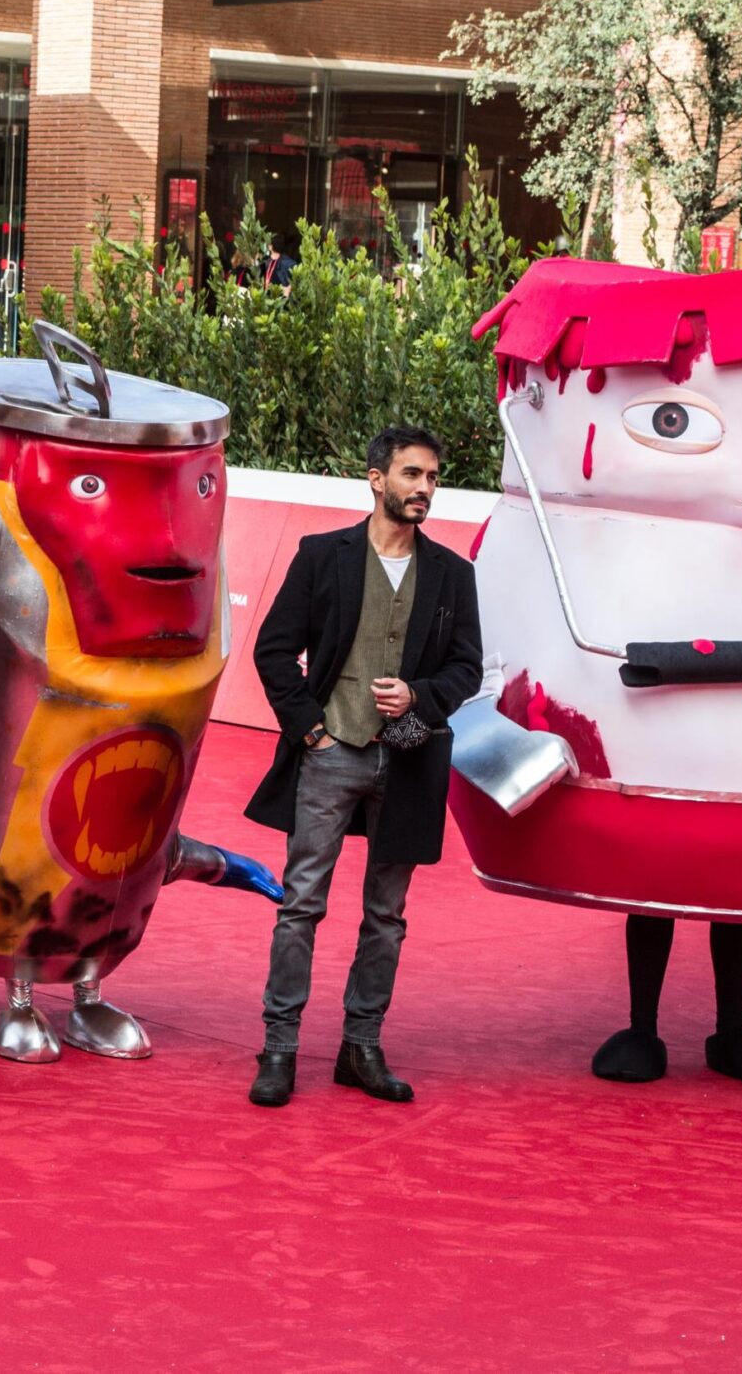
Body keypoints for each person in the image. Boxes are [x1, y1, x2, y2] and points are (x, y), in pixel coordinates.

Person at [242, 425, 482, 1108]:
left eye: (432, 477)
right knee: (301, 904)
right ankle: (279, 1046)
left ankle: (361, 1045)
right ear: (376, 478)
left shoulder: (452, 575)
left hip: (407, 759)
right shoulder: (323, 557)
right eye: (412, 474)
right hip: (333, 752)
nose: (424, 489)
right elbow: (273, 650)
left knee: (388, 913)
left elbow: (467, 667)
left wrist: (420, 695)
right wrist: (311, 729)